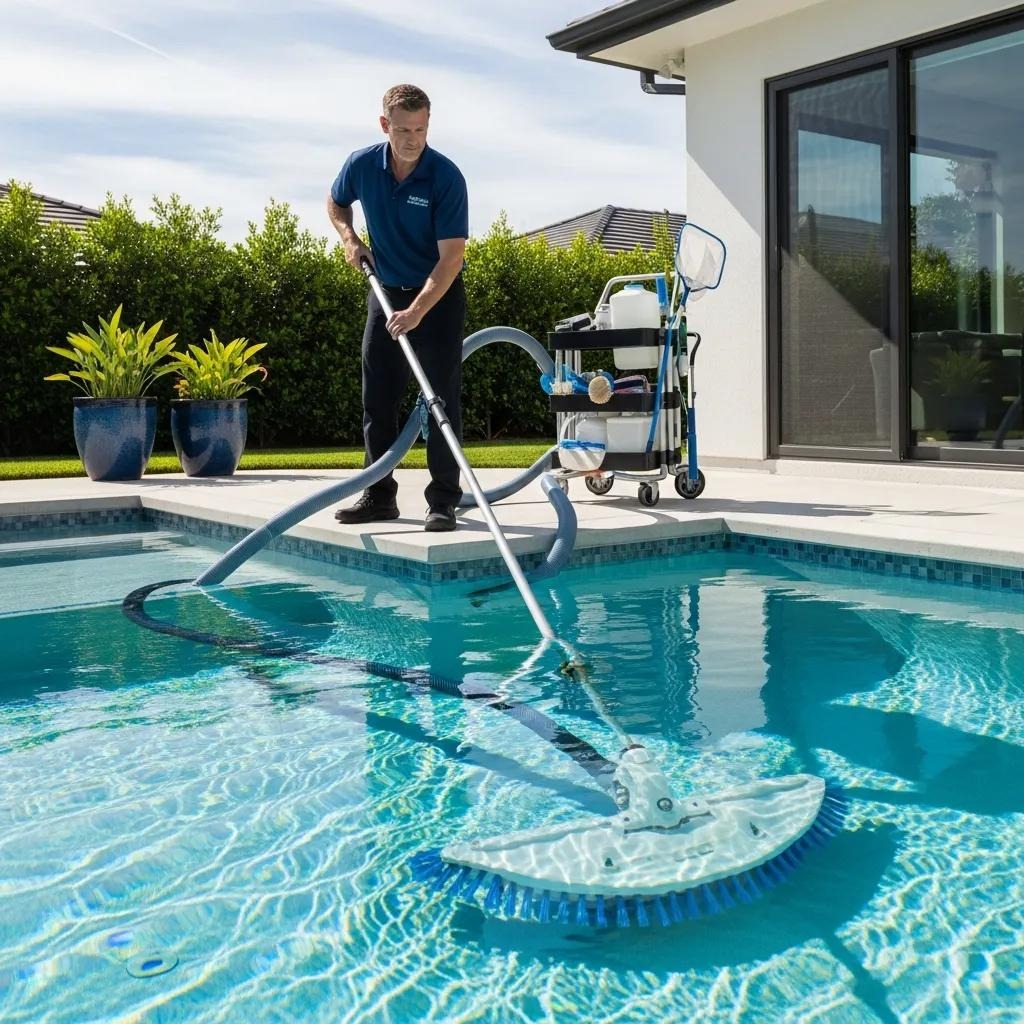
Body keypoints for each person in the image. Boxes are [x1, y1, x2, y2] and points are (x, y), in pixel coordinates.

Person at [328, 84, 469, 532]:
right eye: (404, 129)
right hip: (385, 291)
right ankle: (378, 494)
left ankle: (443, 500)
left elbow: (451, 259)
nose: (413, 139)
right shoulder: (361, 164)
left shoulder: (446, 177)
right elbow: (336, 201)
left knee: (440, 398)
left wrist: (418, 311)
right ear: (385, 125)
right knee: (379, 398)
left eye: (421, 129)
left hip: (437, 296)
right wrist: (350, 240)